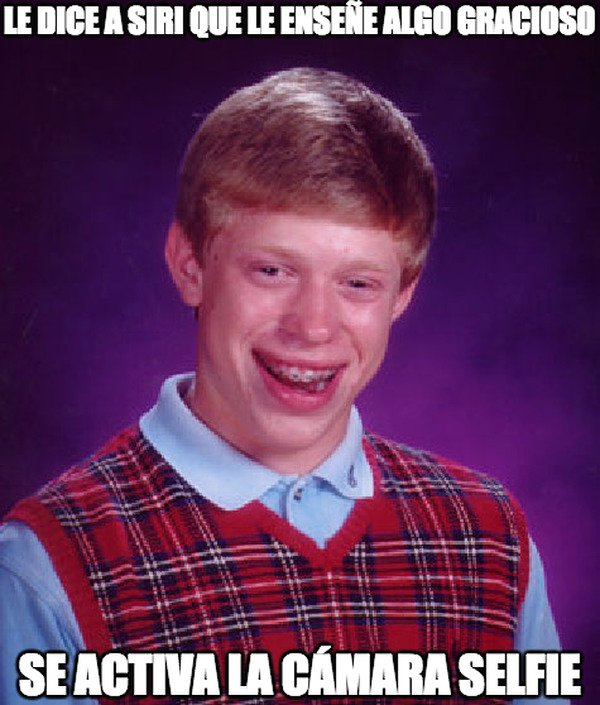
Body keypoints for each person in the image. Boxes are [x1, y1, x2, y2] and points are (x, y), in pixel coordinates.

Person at [1, 68, 564, 704]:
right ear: (190, 266)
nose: (313, 326)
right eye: (272, 270)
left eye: (358, 283)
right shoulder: (48, 567)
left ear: (403, 294)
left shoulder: (489, 539)